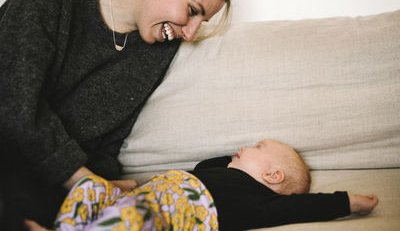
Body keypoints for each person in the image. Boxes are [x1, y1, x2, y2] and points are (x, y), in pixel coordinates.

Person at [0, 0, 232, 229]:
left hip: (51, 184)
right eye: (192, 11)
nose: (190, 33)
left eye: (200, 23)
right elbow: (12, 99)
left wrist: (101, 187)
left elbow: (106, 144)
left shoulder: (158, 47)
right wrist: (82, 179)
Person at [25, 139, 378, 231]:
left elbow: (305, 206)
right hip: (142, 197)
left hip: (157, 217)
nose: (242, 147)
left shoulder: (256, 202)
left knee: (134, 215)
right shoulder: (217, 173)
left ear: (273, 177)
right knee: (89, 187)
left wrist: (349, 202)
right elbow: (202, 168)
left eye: (256, 148)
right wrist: (129, 185)